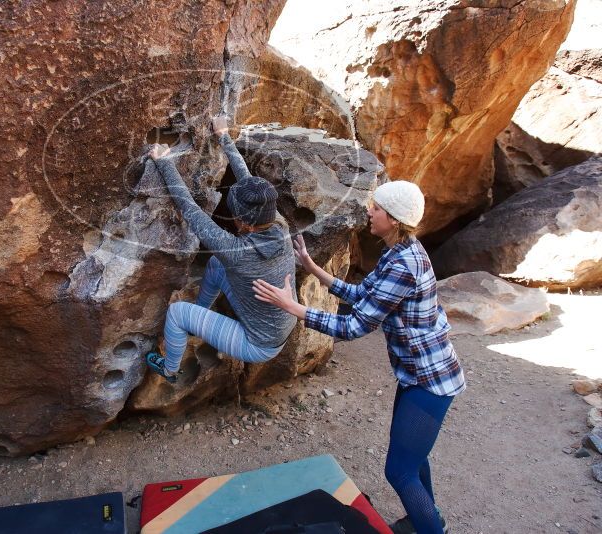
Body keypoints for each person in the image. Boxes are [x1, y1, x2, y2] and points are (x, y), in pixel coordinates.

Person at [252, 180, 465, 534]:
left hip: (431, 381)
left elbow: (354, 326)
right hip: (418, 376)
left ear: (394, 219)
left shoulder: (404, 264)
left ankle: (431, 528)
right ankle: (425, 519)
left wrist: (294, 308)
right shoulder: (398, 250)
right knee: (412, 458)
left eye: (377, 208)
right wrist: (312, 266)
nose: (369, 211)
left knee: (399, 470)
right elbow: (363, 293)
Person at [144, 117, 297, 383]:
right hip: (279, 326)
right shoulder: (278, 224)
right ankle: (199, 316)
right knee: (216, 264)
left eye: (235, 214)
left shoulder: (238, 252)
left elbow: (190, 210)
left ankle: (169, 370)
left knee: (178, 313)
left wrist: (164, 162)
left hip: (257, 344)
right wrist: (224, 136)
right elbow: (249, 182)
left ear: (246, 223)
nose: (233, 217)